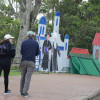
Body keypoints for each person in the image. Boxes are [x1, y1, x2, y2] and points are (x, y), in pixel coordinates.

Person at [20, 31, 39, 97]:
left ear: (27, 35)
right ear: (33, 36)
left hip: (24, 61)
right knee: (28, 77)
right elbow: (37, 53)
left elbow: (21, 52)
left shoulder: (23, 42)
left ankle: (21, 90)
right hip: (31, 61)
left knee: (22, 76)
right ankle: (25, 92)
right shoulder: (36, 43)